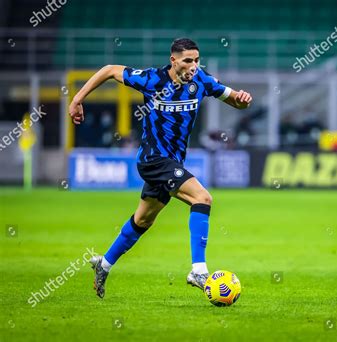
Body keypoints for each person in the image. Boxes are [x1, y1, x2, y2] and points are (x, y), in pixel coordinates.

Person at [68, 38, 252, 298]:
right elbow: (109, 70)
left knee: (143, 219)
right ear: (173, 60)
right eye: (188, 60)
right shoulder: (152, 80)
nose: (193, 66)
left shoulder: (202, 80)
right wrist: (77, 99)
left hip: (173, 163)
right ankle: (199, 270)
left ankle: (104, 264)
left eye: (197, 60)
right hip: (153, 160)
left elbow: (233, 99)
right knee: (202, 198)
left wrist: (242, 99)